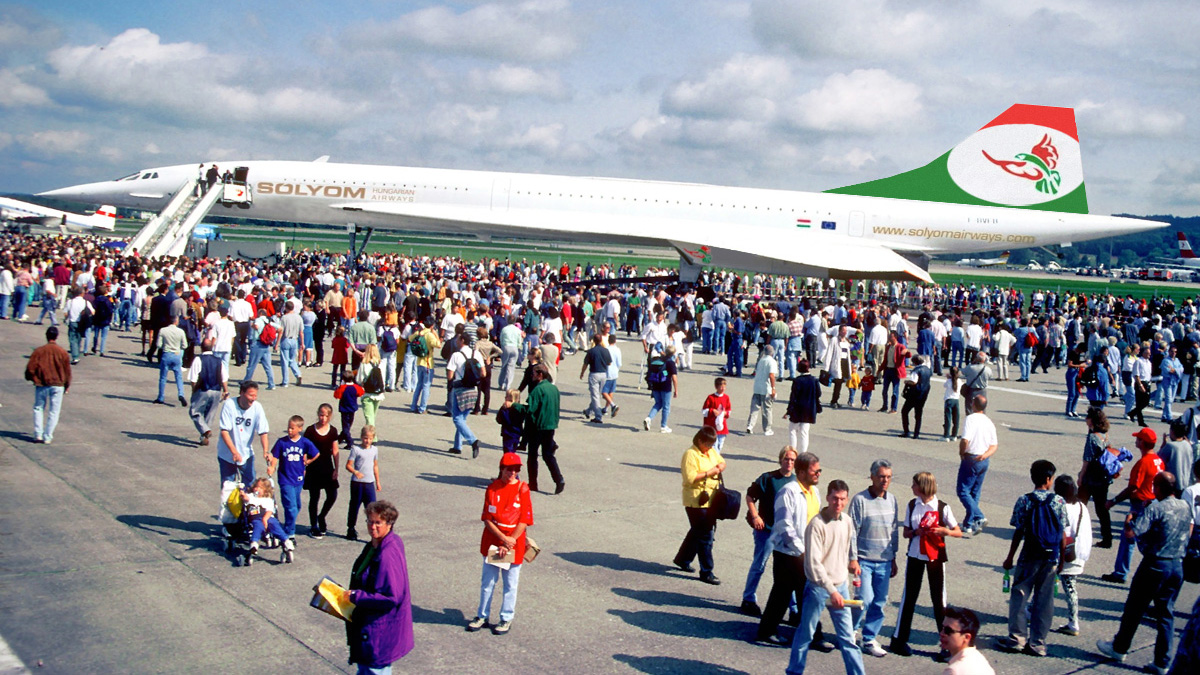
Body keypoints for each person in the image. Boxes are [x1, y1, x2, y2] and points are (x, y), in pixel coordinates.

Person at [1097, 472, 1191, 675]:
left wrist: (1129, 521)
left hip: (1155, 563)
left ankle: (1119, 647)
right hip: (1177, 564)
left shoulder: (1155, 508)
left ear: (1158, 488)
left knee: (1135, 608)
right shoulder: (1185, 506)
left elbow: (1132, 533)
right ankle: (1162, 661)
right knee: (1166, 613)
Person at [785, 479, 865, 675]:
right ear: (828, 497)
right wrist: (832, 590)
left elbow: (845, 549)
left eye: (843, 499)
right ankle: (794, 672)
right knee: (806, 633)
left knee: (848, 638)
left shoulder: (846, 521)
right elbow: (814, 564)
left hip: (841, 585)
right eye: (835, 498)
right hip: (819, 589)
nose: (838, 503)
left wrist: (852, 565)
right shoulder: (816, 525)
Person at [998, 460, 1068, 657]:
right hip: (1051, 557)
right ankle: (1038, 643)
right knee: (1045, 600)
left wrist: (1010, 556)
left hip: (1029, 554)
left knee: (1020, 595)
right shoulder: (1059, 501)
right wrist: (1062, 559)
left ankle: (1017, 639)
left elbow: (1018, 530)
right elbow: (1062, 532)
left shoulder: (1024, 500)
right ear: (1048, 479)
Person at [891, 471, 962, 659]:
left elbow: (958, 532)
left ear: (922, 486)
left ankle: (947, 646)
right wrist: (916, 532)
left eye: (914, 484)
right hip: (915, 555)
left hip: (935, 557)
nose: (911, 487)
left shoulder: (942, 507)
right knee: (909, 598)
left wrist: (944, 531)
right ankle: (899, 640)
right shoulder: (913, 504)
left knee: (938, 601)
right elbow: (906, 532)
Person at [757, 451, 825, 645]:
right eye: (815, 471)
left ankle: (807, 634)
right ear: (801, 472)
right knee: (788, 594)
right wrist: (801, 551)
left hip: (806, 552)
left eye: (819, 471)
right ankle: (812, 636)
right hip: (789, 554)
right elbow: (783, 525)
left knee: (798, 594)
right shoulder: (789, 492)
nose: (818, 474)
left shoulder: (814, 492)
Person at [467, 452, 533, 636]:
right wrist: (503, 540)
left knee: (510, 583)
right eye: (509, 469)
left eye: (516, 469)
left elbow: (524, 519)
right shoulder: (492, 489)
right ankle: (482, 615)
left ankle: (506, 617)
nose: (512, 473)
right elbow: (487, 519)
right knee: (488, 581)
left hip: (514, 543)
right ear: (501, 469)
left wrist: (509, 541)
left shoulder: (522, 488)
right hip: (495, 542)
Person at [344, 499, 414, 673]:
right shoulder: (376, 545)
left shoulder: (387, 553)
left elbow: (391, 597)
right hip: (370, 628)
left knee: (374, 670)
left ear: (389, 524)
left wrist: (355, 596)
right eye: (369, 521)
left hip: (379, 632)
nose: (372, 527)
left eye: (378, 523)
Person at [849, 459, 900, 659]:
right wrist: (853, 559)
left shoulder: (892, 500)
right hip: (864, 560)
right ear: (871, 477)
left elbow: (894, 531)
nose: (885, 480)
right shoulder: (860, 500)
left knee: (879, 601)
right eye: (881, 476)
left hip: (885, 561)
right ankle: (851, 631)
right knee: (864, 599)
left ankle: (869, 638)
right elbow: (852, 532)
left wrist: (894, 557)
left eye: (888, 477)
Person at [1102, 427, 1165, 584]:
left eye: (1138, 439)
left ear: (1142, 443)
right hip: (1154, 502)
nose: (1136, 440)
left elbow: (1133, 488)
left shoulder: (1142, 463)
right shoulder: (1158, 460)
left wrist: (1113, 501)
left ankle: (1121, 572)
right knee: (1149, 541)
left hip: (1140, 505)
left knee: (1129, 538)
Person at [741, 446, 797, 617]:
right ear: (780, 459)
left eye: (792, 460)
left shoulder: (797, 481)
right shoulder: (768, 478)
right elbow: (750, 496)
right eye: (786, 459)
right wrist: (755, 515)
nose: (789, 462)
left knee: (788, 571)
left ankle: (793, 608)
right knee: (759, 564)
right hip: (766, 530)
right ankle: (748, 599)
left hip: (786, 533)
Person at [674, 426, 724, 585]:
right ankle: (706, 571)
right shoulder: (690, 454)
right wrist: (711, 472)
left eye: (712, 445)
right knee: (706, 535)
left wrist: (719, 467)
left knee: (698, 531)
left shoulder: (710, 452)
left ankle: (683, 559)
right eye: (707, 444)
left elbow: (721, 462)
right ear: (700, 440)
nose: (710, 447)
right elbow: (690, 478)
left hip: (711, 499)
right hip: (696, 500)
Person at [268, 414, 320, 542]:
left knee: (296, 506)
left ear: (300, 429)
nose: (290, 430)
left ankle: (285, 527)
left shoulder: (304, 442)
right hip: (285, 479)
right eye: (289, 428)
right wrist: (272, 467)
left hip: (298, 479)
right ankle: (289, 533)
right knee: (290, 506)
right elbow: (275, 456)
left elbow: (316, 453)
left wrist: (308, 461)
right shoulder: (282, 442)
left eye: (292, 428)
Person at [516, 364, 563, 494]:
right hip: (550, 426)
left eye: (533, 374)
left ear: (540, 375)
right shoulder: (554, 389)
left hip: (537, 426)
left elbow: (529, 408)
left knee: (532, 456)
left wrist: (514, 406)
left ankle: (533, 483)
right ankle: (559, 479)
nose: (531, 376)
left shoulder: (537, 390)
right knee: (548, 455)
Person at [1054, 474, 1091, 637]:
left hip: (1066, 554)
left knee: (1060, 585)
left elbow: (1062, 535)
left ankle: (1073, 622)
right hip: (1079, 551)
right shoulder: (1082, 506)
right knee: (1068, 587)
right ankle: (1030, 609)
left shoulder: (1063, 508)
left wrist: (1060, 561)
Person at [957, 395, 998, 536]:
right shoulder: (989, 422)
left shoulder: (970, 419)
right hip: (984, 459)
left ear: (973, 404)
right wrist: (986, 455)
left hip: (971, 458)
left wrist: (962, 452)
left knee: (963, 491)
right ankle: (968, 523)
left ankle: (979, 517)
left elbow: (965, 440)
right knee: (974, 492)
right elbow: (994, 445)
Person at [216, 380, 269, 485]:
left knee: (251, 486)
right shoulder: (229, 405)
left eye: (255, 395)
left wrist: (266, 451)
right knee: (228, 488)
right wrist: (234, 452)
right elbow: (224, 431)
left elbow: (263, 432)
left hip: (246, 454)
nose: (253, 398)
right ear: (242, 393)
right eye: (251, 395)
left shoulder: (257, 407)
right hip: (227, 454)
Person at [25, 326, 71, 445]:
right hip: (58, 384)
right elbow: (67, 371)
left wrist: (34, 379)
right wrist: (67, 385)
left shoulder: (39, 351)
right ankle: (48, 436)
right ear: (56, 336)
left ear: (46, 336)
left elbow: (30, 368)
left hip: (42, 383)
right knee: (54, 411)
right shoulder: (62, 352)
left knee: (38, 408)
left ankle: (38, 434)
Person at [1077, 407, 1116, 548]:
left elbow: (1086, 460)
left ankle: (1076, 533)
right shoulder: (1104, 435)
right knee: (1102, 509)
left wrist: (1081, 476)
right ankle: (1107, 537)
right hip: (1103, 477)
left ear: (1092, 420)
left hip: (1091, 477)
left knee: (1079, 505)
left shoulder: (1092, 437)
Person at [304, 403, 340, 538]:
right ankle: (313, 525)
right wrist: (304, 466)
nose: (323, 418)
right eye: (321, 415)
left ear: (330, 416)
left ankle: (322, 516)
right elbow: (304, 449)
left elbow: (335, 451)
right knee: (314, 497)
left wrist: (336, 468)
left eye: (326, 416)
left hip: (327, 467)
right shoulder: (310, 430)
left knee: (332, 495)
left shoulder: (333, 431)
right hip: (313, 468)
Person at [446, 334, 484, 457]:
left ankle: (473, 440)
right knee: (462, 419)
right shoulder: (476, 354)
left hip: (460, 389)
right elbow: (483, 373)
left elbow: (450, 376)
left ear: (462, 340)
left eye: (458, 339)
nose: (456, 341)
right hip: (473, 389)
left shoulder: (456, 355)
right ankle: (458, 446)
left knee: (457, 418)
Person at [240, 477, 293, 562]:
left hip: (267, 517)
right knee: (258, 526)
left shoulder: (268, 500)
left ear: (266, 490)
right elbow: (246, 498)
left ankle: (286, 541)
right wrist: (243, 494)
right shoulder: (251, 497)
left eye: (260, 488)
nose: (257, 489)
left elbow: (269, 511)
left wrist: (265, 519)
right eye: (256, 487)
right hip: (256, 518)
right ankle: (254, 544)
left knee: (275, 525)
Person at [187, 338, 228, 447]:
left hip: (203, 389)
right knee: (210, 414)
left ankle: (205, 431)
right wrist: (226, 390)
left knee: (194, 411)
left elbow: (193, 378)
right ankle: (203, 437)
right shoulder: (219, 360)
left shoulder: (198, 359)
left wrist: (193, 391)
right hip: (216, 390)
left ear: (201, 348)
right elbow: (224, 377)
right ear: (212, 347)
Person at [345, 425, 381, 541]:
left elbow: (375, 466)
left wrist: (378, 482)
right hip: (357, 483)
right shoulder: (356, 449)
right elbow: (348, 465)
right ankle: (351, 528)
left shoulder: (374, 450)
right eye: (365, 438)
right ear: (361, 437)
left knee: (372, 509)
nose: (367, 441)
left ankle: (374, 532)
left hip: (369, 483)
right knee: (354, 506)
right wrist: (355, 472)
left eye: (370, 439)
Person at [939, 606, 995, 675]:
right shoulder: (979, 659)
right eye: (942, 628)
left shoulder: (954, 671)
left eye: (948, 631)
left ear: (966, 637)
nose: (941, 633)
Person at [783, 359, 821, 452]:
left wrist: (788, 411)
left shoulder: (797, 381)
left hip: (797, 409)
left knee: (792, 430)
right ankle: (803, 454)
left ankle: (793, 452)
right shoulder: (814, 380)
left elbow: (793, 397)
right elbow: (818, 394)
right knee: (804, 433)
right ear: (808, 368)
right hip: (809, 409)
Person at [153, 315, 188, 407]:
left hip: (166, 354)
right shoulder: (181, 331)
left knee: (163, 377)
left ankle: (161, 397)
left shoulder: (163, 330)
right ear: (176, 321)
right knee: (178, 376)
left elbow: (158, 344)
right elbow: (185, 345)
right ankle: (181, 394)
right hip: (176, 354)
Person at [643, 344, 679, 433]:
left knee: (658, 403)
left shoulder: (658, 360)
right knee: (666, 406)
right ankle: (663, 426)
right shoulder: (671, 363)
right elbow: (674, 378)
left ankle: (649, 418)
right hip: (665, 386)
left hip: (655, 384)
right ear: (673, 353)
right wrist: (676, 390)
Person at [579, 334, 612, 423]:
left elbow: (585, 364)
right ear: (601, 340)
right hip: (603, 374)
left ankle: (598, 416)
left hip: (594, 374)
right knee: (597, 395)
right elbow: (609, 363)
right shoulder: (606, 351)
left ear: (593, 341)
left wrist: (582, 373)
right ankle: (588, 411)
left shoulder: (591, 351)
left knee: (595, 395)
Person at [746, 344, 778, 436]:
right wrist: (773, 388)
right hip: (766, 388)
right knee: (767, 409)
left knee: (754, 409)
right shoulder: (772, 362)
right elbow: (771, 375)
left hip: (757, 387)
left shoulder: (761, 360)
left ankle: (750, 426)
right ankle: (767, 429)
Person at [899, 355, 932, 439]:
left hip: (914, 394)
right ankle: (916, 433)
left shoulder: (916, 370)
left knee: (905, 411)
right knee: (918, 414)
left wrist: (906, 382)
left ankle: (906, 431)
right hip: (924, 394)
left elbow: (913, 382)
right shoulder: (927, 369)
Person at [335, 370, 365, 451]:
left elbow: (336, 395)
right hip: (352, 408)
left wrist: (339, 387)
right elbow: (361, 392)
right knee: (348, 424)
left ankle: (350, 442)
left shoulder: (342, 388)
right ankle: (340, 438)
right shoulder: (356, 387)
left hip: (344, 409)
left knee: (345, 426)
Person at [702, 377, 732, 450]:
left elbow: (729, 409)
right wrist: (712, 411)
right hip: (712, 426)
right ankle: (715, 458)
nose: (723, 389)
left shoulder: (726, 397)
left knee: (720, 444)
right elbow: (704, 411)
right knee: (713, 445)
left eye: (724, 387)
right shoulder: (711, 397)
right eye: (721, 387)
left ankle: (717, 455)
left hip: (722, 425)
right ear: (716, 387)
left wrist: (725, 413)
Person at [943, 367, 961, 442]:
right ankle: (954, 435)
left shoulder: (949, 381)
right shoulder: (959, 381)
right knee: (956, 419)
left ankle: (946, 435)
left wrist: (948, 378)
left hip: (949, 400)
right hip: (956, 400)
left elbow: (944, 386)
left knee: (948, 418)